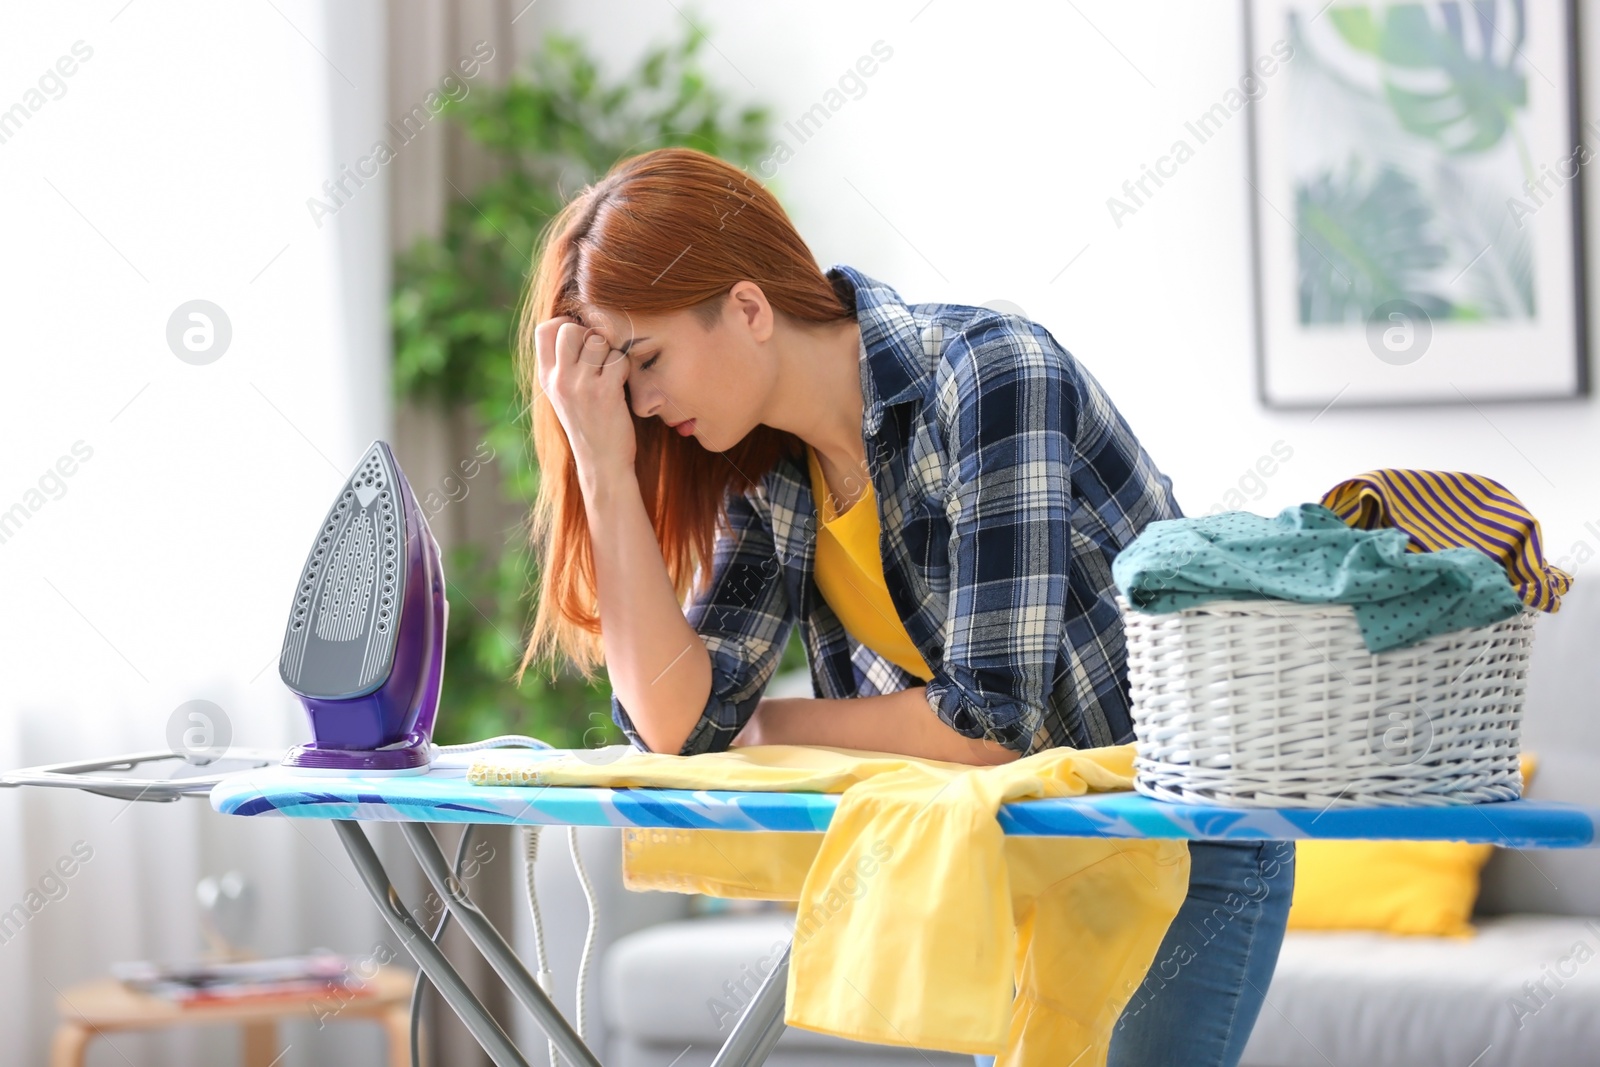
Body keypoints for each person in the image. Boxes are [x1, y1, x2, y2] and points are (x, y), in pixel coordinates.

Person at [513, 145, 1295, 1067]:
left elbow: (990, 726)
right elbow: (678, 731)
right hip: (1035, 855)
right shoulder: (769, 473)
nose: (641, 400)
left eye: (647, 360)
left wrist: (767, 726)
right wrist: (602, 465)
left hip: (1185, 847)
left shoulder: (991, 376)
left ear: (749, 307)